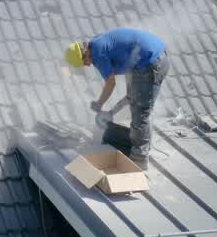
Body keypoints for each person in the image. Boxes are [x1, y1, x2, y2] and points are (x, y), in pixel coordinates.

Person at [65, 28, 169, 167]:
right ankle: (138, 140)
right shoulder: (96, 42)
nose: (88, 65)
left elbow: (111, 83)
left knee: (141, 111)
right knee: (132, 97)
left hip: (151, 62)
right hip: (143, 60)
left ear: (85, 54)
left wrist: (99, 104)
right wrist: (110, 112)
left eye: (85, 62)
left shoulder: (98, 53)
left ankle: (139, 160)